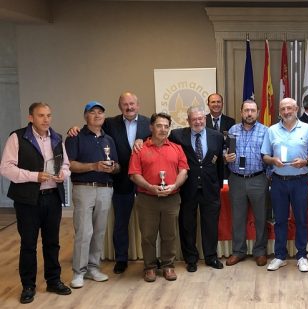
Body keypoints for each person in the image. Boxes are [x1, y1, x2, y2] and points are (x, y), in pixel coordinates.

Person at [68, 91, 151, 274]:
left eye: (132, 104)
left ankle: (152, 260)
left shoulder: (149, 123)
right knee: (121, 223)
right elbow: (91, 126)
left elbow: (160, 138)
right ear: (120, 106)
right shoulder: (110, 123)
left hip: (147, 181)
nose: (129, 107)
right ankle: (121, 258)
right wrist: (74, 128)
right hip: (120, 180)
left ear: (138, 105)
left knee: (150, 223)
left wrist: (143, 140)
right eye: (125, 104)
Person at [0, 102, 72, 304]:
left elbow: (66, 165)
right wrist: (34, 176)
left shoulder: (57, 138)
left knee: (52, 243)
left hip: (53, 198)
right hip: (27, 201)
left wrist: (62, 175)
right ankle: (28, 286)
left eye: (49, 115)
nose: (46, 119)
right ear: (31, 117)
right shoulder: (18, 137)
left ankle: (53, 280)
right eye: (41, 115)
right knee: (28, 244)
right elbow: (5, 168)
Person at [65, 101, 119, 289]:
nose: (97, 116)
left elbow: (117, 165)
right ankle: (78, 272)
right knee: (84, 231)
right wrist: (93, 166)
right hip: (84, 188)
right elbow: (70, 164)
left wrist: (113, 168)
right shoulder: (75, 137)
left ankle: (93, 268)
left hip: (105, 188)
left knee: (99, 231)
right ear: (85, 116)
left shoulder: (109, 140)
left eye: (100, 113)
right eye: (92, 112)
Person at [129, 113, 189, 282]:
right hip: (147, 198)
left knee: (169, 235)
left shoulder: (176, 148)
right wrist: (150, 187)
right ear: (151, 127)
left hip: (172, 198)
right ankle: (149, 267)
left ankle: (168, 266)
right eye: (159, 125)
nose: (163, 129)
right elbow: (134, 174)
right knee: (148, 235)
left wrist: (175, 186)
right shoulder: (140, 149)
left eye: (166, 126)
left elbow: (183, 171)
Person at [261, 97, 308, 272]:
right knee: (280, 221)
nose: (286, 112)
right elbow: (264, 156)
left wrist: (305, 162)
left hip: (300, 181)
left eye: (290, 108)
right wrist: (273, 161)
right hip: (278, 182)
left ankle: (302, 256)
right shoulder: (271, 131)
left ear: (296, 109)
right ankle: (280, 256)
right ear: (279, 111)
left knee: (301, 220)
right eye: (283, 109)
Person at [170, 106, 225, 272]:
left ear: (205, 119)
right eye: (194, 119)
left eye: (201, 118)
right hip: (187, 189)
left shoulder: (217, 136)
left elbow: (220, 163)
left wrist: (219, 185)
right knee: (187, 225)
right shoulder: (177, 136)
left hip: (210, 188)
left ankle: (211, 257)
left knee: (210, 225)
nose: (198, 122)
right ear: (188, 120)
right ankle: (191, 259)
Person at [224, 100, 269, 267]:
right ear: (241, 112)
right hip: (236, 179)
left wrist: (268, 178)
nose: (249, 114)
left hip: (258, 178)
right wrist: (225, 157)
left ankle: (260, 251)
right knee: (238, 218)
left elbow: (270, 154)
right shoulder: (233, 130)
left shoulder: (266, 131)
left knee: (261, 218)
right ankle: (238, 251)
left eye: (252, 110)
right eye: (246, 110)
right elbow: (226, 150)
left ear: (257, 112)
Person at [205, 93, 235, 180]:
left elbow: (231, 143)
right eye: (213, 102)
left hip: (225, 165)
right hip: (207, 164)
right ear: (208, 104)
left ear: (222, 104)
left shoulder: (231, 122)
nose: (216, 104)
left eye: (218, 102)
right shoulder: (202, 121)